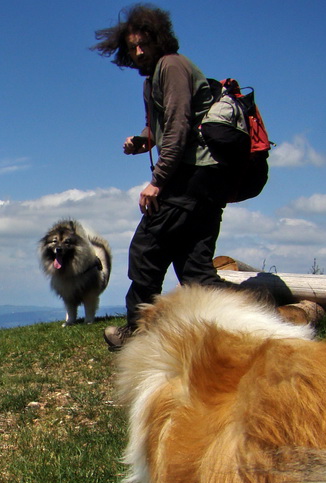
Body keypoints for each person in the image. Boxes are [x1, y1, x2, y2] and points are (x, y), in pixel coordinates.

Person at [93, 4, 233, 350]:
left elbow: (179, 124)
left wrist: (158, 180)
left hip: (190, 176)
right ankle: (243, 322)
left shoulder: (170, 66)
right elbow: (161, 126)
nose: (139, 52)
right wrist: (144, 139)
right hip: (208, 179)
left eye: (144, 44)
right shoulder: (154, 77)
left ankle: (139, 332)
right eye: (132, 47)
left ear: (160, 40)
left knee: (146, 250)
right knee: (195, 267)